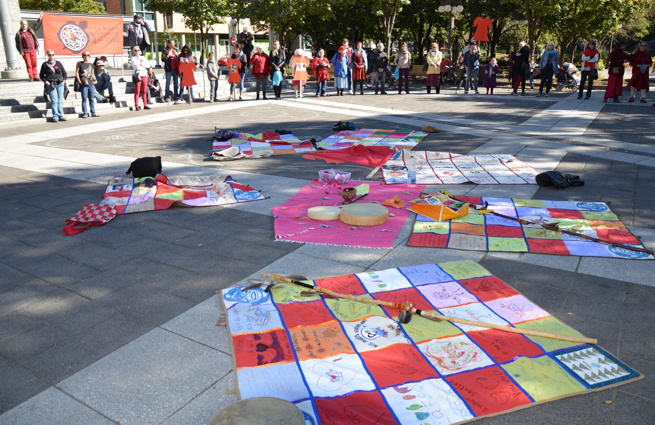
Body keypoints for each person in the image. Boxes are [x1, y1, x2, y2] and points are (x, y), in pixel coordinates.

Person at [39, 50, 67, 122]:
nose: (51, 56)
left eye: (52, 54)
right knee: (54, 100)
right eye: (49, 55)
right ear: (47, 56)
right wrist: (45, 81)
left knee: (60, 100)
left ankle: (61, 115)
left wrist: (64, 80)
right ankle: (55, 115)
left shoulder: (58, 63)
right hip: (51, 84)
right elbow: (41, 75)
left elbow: (64, 73)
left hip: (60, 83)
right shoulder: (45, 65)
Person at [75, 51, 98, 118]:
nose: (86, 56)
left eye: (88, 55)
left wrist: (95, 80)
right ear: (83, 56)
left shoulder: (91, 65)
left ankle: (93, 112)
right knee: (84, 98)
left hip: (91, 83)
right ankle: (85, 112)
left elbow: (92, 74)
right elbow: (76, 72)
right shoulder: (80, 63)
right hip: (83, 83)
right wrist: (79, 80)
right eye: (85, 55)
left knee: (91, 98)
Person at [130, 46, 151, 110]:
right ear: (133, 52)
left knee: (144, 91)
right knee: (137, 91)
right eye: (135, 50)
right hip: (137, 75)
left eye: (138, 50)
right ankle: (136, 105)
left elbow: (147, 65)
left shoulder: (143, 57)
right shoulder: (133, 58)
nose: (137, 52)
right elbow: (136, 66)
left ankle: (145, 104)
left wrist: (142, 64)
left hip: (144, 74)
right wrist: (142, 63)